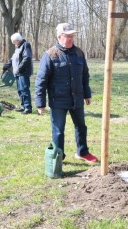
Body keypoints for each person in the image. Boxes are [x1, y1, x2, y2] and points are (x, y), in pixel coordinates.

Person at [35, 23, 98, 164]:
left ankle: (82, 152)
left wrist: (87, 94)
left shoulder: (79, 53)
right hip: (58, 101)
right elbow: (41, 80)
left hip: (77, 98)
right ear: (59, 37)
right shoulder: (50, 55)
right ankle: (59, 156)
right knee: (58, 131)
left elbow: (85, 76)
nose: (71, 39)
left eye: (72, 36)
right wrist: (40, 103)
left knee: (81, 126)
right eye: (68, 36)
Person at [3, 33, 33, 114]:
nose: (12, 43)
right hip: (17, 73)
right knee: (20, 90)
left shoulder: (25, 45)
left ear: (17, 40)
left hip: (23, 72)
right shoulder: (17, 48)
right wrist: (5, 66)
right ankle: (23, 106)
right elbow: (13, 59)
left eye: (13, 41)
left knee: (24, 90)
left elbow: (27, 58)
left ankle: (28, 108)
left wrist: (19, 69)